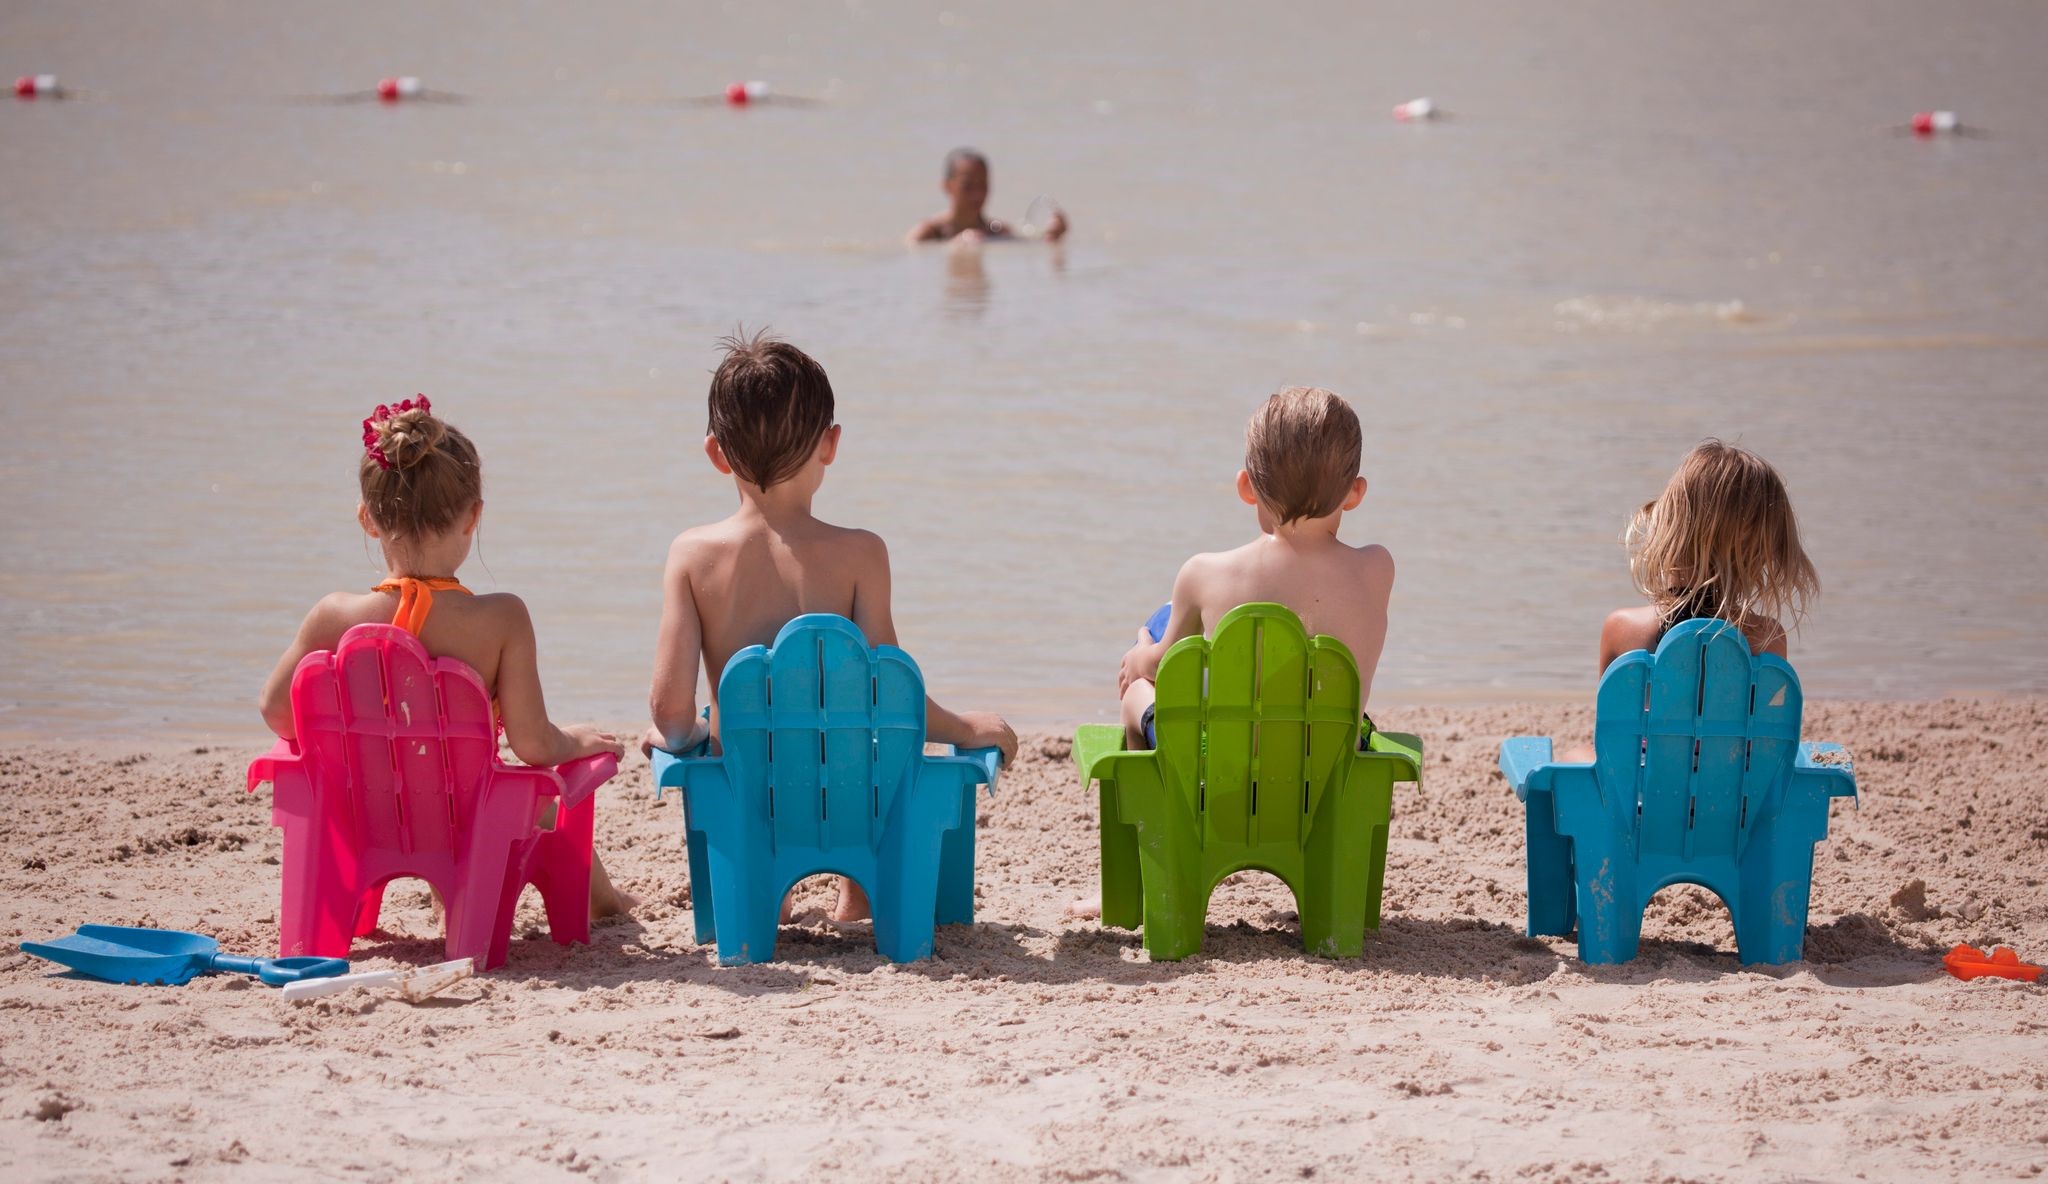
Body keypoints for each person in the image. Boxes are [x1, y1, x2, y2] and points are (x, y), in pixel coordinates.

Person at [644, 332, 1019, 922]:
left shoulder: (692, 557)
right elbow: (893, 694)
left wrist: (688, 733)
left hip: (752, 796)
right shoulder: (861, 554)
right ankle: (862, 893)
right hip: (851, 793)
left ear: (716, 454)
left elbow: (668, 712)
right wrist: (967, 726)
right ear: (830, 445)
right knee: (871, 753)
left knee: (729, 743)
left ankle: (773, 893)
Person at [257, 397, 634, 917]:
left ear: (368, 519)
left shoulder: (332, 617)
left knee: (423, 775)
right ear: (473, 516)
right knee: (547, 802)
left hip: (359, 813)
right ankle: (607, 904)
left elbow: (277, 712)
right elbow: (532, 745)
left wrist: (357, 743)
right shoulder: (502, 619)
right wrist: (575, 740)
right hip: (466, 821)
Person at [1116, 387, 1395, 750]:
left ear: (1247, 487)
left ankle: (1162, 801)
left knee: (1139, 686)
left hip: (1220, 765)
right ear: (1355, 492)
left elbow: (1164, 668)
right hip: (1328, 764)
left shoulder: (1204, 575)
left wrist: (1140, 652)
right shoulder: (1377, 569)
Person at [1556, 439, 1820, 761]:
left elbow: (1610, 739)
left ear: (1669, 526)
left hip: (1640, 800)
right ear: (1762, 552)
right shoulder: (1767, 640)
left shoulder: (1622, 629)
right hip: (1730, 801)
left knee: (1574, 756)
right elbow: (1764, 745)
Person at [906, 147, 1067, 246]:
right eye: (967, 186)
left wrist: (1052, 236)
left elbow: (1029, 248)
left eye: (983, 185)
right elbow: (910, 258)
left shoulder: (996, 230)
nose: (977, 194)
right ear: (947, 186)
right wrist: (953, 247)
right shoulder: (930, 231)